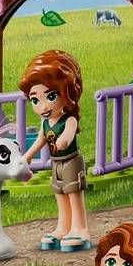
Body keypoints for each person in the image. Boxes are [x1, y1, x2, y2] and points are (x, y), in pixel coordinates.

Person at [20, 49, 90, 251]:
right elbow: (40, 140)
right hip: (56, 163)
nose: (43, 107)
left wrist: (63, 141)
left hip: (71, 161)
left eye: (50, 96)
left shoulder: (69, 119)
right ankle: (63, 227)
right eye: (35, 100)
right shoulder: (45, 123)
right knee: (60, 193)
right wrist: (28, 156)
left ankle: (80, 228)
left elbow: (69, 134)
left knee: (73, 193)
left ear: (68, 93)